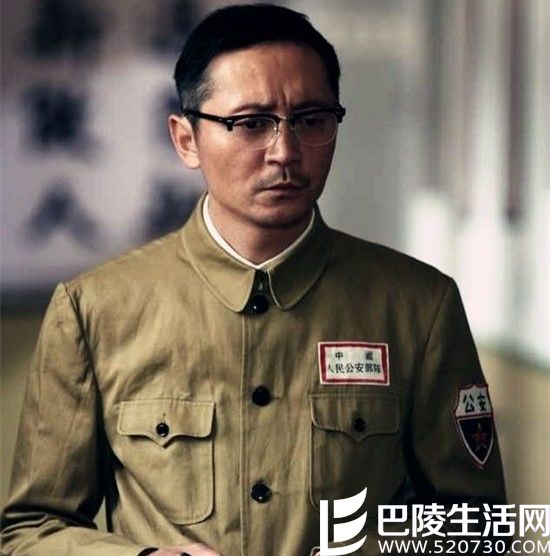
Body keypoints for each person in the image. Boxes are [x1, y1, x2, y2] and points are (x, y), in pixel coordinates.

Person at [1, 4, 507, 556]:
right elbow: (32, 529)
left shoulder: (419, 306)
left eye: (311, 120)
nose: (285, 152)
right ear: (186, 139)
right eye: (250, 123)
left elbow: (479, 525)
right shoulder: (94, 310)